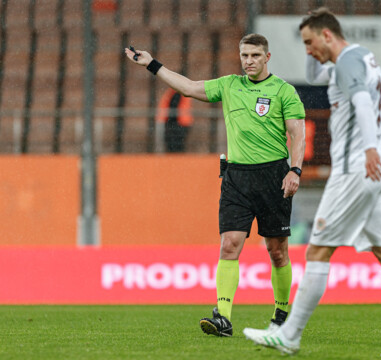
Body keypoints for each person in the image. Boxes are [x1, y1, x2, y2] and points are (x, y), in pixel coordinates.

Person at [243, 8, 381, 358]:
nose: (307, 50)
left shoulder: (345, 64)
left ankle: (289, 336)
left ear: (328, 35)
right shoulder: (362, 57)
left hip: (356, 168)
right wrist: (313, 49)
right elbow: (316, 73)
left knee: (317, 251)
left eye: (310, 42)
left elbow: (359, 100)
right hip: (379, 169)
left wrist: (370, 148)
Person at [125, 33, 306, 337]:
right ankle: (222, 317)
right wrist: (152, 65)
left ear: (267, 58)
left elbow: (297, 134)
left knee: (277, 251)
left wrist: (295, 170)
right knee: (229, 244)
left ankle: (282, 312)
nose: (249, 61)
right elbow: (189, 87)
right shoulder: (229, 85)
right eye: (244, 55)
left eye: (255, 56)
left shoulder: (284, 92)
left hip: (274, 176)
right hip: (236, 178)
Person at [156, 88, 193, 152]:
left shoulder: (175, 92)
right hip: (179, 123)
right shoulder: (177, 92)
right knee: (176, 146)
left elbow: (172, 107)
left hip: (178, 124)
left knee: (175, 146)